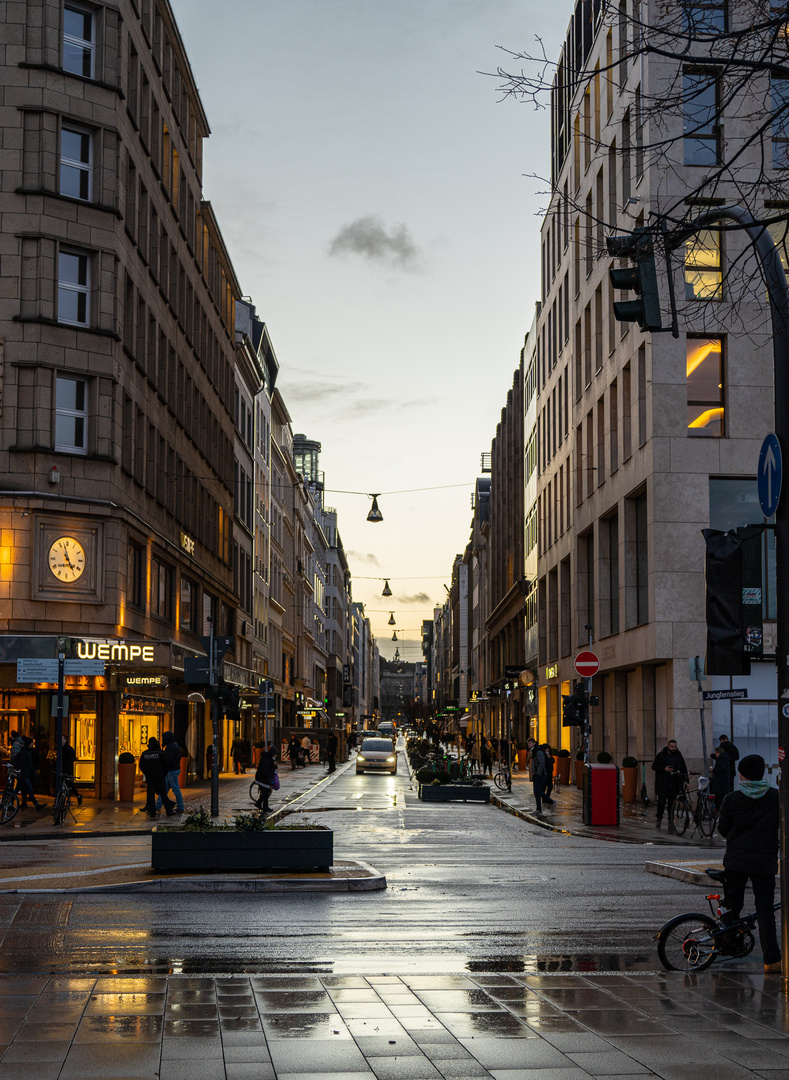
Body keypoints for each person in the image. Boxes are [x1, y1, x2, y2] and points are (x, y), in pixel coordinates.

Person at [717, 754, 781, 973]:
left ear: (742, 774)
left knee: (732, 907)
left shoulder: (731, 799)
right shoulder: (775, 797)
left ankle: (729, 947)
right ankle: (772, 960)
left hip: (736, 861)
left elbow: (723, 830)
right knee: (765, 911)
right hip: (764, 861)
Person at [651, 738, 687, 832]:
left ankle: (670, 822)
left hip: (674, 783)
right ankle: (659, 819)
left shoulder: (678, 756)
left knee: (672, 804)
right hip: (663, 783)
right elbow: (654, 766)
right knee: (661, 802)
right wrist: (664, 769)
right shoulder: (661, 754)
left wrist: (686, 781)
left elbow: (683, 768)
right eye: (672, 746)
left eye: (675, 747)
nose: (673, 748)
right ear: (668, 746)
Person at [139, 737, 175, 818]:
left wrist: (147, 773)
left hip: (150, 778)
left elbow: (141, 765)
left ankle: (152, 812)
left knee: (150, 796)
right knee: (163, 794)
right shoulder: (160, 753)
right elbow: (166, 764)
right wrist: (164, 773)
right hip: (160, 777)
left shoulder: (145, 754)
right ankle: (169, 811)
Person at [155, 731, 185, 815]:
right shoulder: (174, 745)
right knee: (164, 790)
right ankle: (157, 805)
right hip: (173, 770)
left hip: (171, 770)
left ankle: (180, 807)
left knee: (175, 789)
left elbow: (169, 760)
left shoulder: (170, 747)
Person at [526, 737, 555, 812]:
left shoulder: (538, 752)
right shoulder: (533, 751)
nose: (529, 745)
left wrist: (538, 773)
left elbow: (542, 763)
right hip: (536, 774)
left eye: (530, 743)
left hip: (540, 775)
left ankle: (551, 802)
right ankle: (538, 809)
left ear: (534, 743)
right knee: (536, 793)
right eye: (528, 743)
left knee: (538, 792)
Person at [17, 737, 42, 809]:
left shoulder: (24, 751)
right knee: (29, 789)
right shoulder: (26, 752)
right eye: (32, 743)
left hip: (24, 773)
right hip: (25, 773)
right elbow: (27, 763)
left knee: (21, 788)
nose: (33, 744)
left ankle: (11, 802)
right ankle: (36, 804)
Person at [253, 744, 277, 813]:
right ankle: (265, 806)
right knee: (266, 792)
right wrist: (268, 778)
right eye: (275, 754)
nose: (276, 756)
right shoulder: (266, 759)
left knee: (265, 792)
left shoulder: (269, 759)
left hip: (263, 778)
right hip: (262, 779)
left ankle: (259, 803)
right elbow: (265, 770)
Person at [60, 735, 82, 805]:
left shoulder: (69, 749)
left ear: (65, 740)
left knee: (70, 784)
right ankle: (61, 800)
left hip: (68, 769)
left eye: (62, 739)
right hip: (62, 769)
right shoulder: (60, 749)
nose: (61, 741)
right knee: (61, 784)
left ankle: (77, 795)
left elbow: (72, 759)